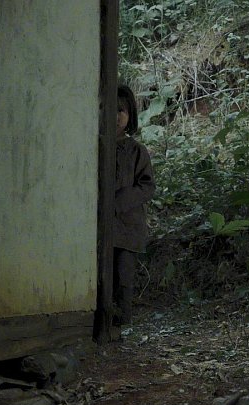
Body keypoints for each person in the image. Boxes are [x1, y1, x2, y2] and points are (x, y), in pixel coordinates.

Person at [112, 85, 155, 325]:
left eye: (121, 110)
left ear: (130, 115)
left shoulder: (137, 151)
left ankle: (118, 328)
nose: (116, 116)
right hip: (100, 230)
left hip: (128, 229)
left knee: (123, 278)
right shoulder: (95, 147)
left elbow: (147, 186)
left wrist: (120, 200)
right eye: (110, 109)